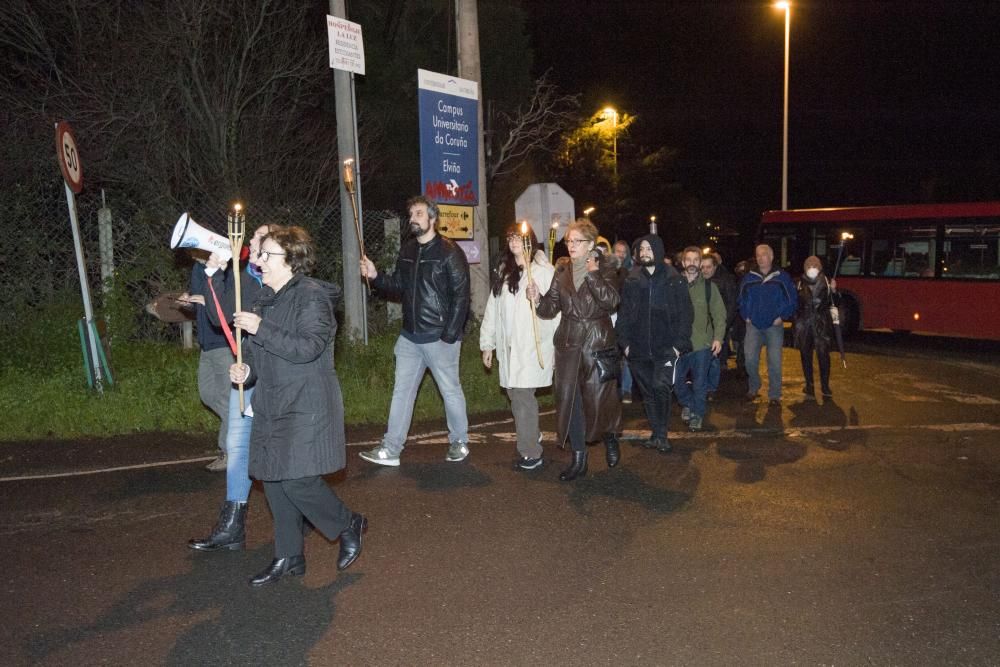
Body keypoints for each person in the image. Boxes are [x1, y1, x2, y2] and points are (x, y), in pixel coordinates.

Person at [229, 226, 366, 587]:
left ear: (290, 260)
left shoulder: (310, 297)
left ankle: (346, 522)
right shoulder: (263, 298)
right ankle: (289, 557)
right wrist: (247, 371)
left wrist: (260, 328)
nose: (258, 261)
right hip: (272, 401)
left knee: (297, 479)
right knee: (273, 478)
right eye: (260, 255)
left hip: (307, 401)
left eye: (266, 255)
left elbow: (308, 348)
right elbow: (262, 355)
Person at [359, 196, 471, 466]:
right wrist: (375, 277)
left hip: (439, 336)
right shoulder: (408, 249)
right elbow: (398, 285)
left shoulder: (449, 251)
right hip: (409, 336)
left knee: (450, 390)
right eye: (411, 214)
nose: (413, 218)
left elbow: (461, 296)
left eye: (419, 213)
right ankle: (391, 448)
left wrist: (449, 335)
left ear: (433, 218)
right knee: (402, 392)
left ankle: (459, 441)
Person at [188, 223, 278, 552]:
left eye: (257, 239)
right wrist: (213, 271)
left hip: (276, 380)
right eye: (252, 237)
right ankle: (232, 527)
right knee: (237, 447)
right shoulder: (246, 277)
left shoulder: (276, 282)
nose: (249, 242)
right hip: (248, 376)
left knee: (280, 453)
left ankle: (325, 514)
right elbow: (218, 315)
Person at [527, 219, 622, 481]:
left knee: (600, 401)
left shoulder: (605, 268)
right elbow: (549, 308)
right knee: (572, 403)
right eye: (568, 241)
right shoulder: (562, 272)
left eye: (576, 241)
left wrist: (592, 274)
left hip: (597, 343)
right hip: (568, 344)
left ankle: (611, 436)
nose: (570, 245)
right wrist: (537, 298)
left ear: (590, 244)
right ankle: (579, 458)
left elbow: (612, 301)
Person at [480, 224, 560, 470]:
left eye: (520, 238)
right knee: (515, 395)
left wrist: (554, 342)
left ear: (531, 242)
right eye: (511, 237)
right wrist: (487, 343)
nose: (514, 242)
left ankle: (531, 453)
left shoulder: (544, 272)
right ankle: (531, 434)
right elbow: (493, 309)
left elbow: (555, 309)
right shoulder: (505, 272)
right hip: (510, 348)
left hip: (532, 346)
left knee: (523, 397)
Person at [616, 235, 692, 452]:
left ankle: (661, 434)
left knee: (661, 387)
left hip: (666, 349)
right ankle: (657, 434)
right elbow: (624, 314)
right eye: (642, 249)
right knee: (648, 392)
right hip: (638, 350)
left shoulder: (673, 278)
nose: (645, 252)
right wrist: (625, 344)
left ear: (658, 250)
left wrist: (678, 345)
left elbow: (686, 313)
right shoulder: (632, 279)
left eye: (649, 248)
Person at [177, 253, 231, 472]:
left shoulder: (225, 266)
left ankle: (230, 451)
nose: (190, 253)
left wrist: (204, 299)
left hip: (224, 342)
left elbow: (231, 300)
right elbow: (199, 301)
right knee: (207, 394)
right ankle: (243, 428)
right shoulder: (198, 269)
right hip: (207, 343)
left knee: (228, 400)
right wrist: (187, 300)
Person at [674, 247, 727, 431]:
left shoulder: (708, 287)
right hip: (678, 346)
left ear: (699, 263)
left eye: (695, 260)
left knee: (699, 383)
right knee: (676, 381)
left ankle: (697, 414)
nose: (692, 263)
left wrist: (718, 338)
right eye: (688, 260)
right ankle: (688, 403)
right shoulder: (674, 286)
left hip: (702, 344)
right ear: (683, 263)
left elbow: (720, 314)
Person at [738, 244, 797, 405]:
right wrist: (746, 315)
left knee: (775, 361)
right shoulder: (749, 278)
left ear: (771, 257)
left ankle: (774, 395)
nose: (760, 257)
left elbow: (792, 299)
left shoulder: (782, 277)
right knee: (749, 359)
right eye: (758, 255)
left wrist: (782, 316)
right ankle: (754, 385)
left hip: (774, 325)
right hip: (753, 325)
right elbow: (741, 299)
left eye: (764, 254)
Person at [793, 255, 836, 400]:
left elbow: (835, 303)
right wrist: (797, 321)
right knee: (805, 355)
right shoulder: (799, 283)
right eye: (809, 264)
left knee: (823, 355)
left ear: (820, 267)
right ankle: (809, 384)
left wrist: (834, 292)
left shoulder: (827, 282)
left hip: (821, 323)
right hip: (804, 324)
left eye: (815, 264)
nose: (812, 267)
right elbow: (795, 304)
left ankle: (825, 385)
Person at [701, 251, 738, 399]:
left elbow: (731, 305)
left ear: (715, 267)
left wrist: (723, 326)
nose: (705, 270)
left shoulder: (725, 281)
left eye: (708, 267)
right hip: (701, 327)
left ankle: (711, 388)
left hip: (717, 326)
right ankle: (702, 386)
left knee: (714, 359)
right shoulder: (697, 281)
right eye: (702, 267)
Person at [612, 240, 635, 404]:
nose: (620, 254)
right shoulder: (607, 270)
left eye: (623, 252)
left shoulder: (630, 273)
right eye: (617, 251)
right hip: (611, 318)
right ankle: (613, 389)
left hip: (625, 318)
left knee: (627, 355)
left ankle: (626, 390)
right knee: (612, 356)